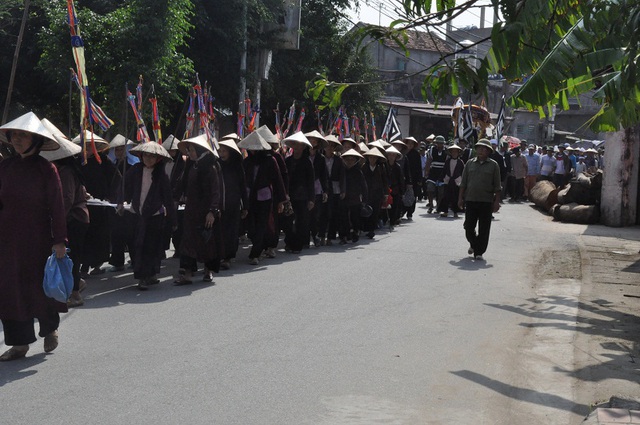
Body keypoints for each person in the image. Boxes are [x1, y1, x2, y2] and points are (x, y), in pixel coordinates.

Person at [0, 112, 67, 361]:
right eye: (14, 135)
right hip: (6, 240)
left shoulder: (46, 170)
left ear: (35, 140)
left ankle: (49, 328)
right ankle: (19, 344)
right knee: (9, 291)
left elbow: (57, 206)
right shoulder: (5, 167)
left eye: (23, 135)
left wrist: (59, 240)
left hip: (37, 239)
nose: (16, 139)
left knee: (39, 287)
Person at [40, 119, 89, 308]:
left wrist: (56, 218)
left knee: (72, 257)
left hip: (74, 219)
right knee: (72, 257)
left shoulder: (67, 172)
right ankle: (76, 285)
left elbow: (66, 199)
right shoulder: (66, 170)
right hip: (76, 218)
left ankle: (75, 294)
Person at [118, 142, 176, 290]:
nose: (149, 159)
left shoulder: (161, 175)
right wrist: (120, 202)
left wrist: (172, 219)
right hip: (136, 214)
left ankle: (148, 275)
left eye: (152, 157)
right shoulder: (135, 170)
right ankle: (141, 274)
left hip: (154, 216)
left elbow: (168, 198)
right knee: (136, 245)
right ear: (141, 156)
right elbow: (124, 186)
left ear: (157, 159)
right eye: (146, 156)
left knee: (151, 247)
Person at [173, 134, 222, 283]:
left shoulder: (211, 168)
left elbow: (216, 192)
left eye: (192, 150)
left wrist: (212, 212)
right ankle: (187, 274)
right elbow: (181, 186)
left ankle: (208, 271)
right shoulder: (190, 166)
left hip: (206, 212)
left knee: (207, 242)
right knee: (187, 242)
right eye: (189, 150)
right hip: (191, 211)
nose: (190, 153)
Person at [239, 131, 287, 265]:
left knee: (261, 225)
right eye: (251, 148)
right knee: (251, 226)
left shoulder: (270, 160)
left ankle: (255, 253)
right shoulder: (246, 162)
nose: (253, 151)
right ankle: (258, 247)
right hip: (249, 198)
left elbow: (278, 180)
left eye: (256, 148)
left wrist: (281, 201)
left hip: (265, 198)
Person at [458, 138, 501, 261]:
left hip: (486, 201)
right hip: (470, 199)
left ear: (488, 151)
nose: (481, 150)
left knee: (484, 228)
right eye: (479, 148)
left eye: (484, 149)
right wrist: (460, 198)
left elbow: (497, 186)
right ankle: (474, 243)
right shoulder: (469, 163)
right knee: (468, 227)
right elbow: (463, 183)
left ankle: (479, 252)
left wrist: (497, 201)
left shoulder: (494, 165)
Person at [282, 132, 315, 254]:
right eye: (294, 145)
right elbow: (284, 178)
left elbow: (311, 181)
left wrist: (311, 199)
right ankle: (289, 242)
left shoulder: (307, 162)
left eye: (299, 145)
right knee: (287, 221)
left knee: (301, 222)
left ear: (303, 147)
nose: (296, 147)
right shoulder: (288, 161)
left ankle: (297, 245)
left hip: (302, 196)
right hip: (289, 196)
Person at [217, 139, 248, 270]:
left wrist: (245, 206)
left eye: (224, 151)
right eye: (220, 150)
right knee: (220, 230)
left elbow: (243, 186)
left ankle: (229, 257)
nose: (221, 153)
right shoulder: (216, 165)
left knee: (231, 230)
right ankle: (219, 255)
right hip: (219, 203)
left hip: (233, 203)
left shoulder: (237, 166)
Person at [362, 147, 388, 238]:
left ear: (377, 159)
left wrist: (385, 193)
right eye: (370, 157)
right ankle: (367, 228)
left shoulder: (381, 168)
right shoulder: (364, 167)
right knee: (368, 211)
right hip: (367, 193)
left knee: (375, 212)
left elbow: (385, 181)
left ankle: (372, 230)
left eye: (374, 157)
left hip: (378, 193)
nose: (372, 159)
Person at [438, 144, 465, 218]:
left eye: (456, 152)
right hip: (448, 180)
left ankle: (455, 212)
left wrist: (464, 181)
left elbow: (463, 172)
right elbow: (444, 171)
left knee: (455, 197)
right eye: (453, 152)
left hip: (457, 182)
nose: (454, 153)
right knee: (446, 197)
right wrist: (440, 179)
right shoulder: (447, 161)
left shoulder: (460, 162)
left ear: (458, 153)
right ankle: (445, 212)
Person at [424, 135, 447, 213]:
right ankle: (430, 205)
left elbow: (447, 162)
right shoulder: (432, 149)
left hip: (442, 172)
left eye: (441, 143)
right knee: (430, 188)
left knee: (441, 191)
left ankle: (438, 206)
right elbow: (429, 160)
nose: (439, 145)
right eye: (438, 143)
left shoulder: (446, 151)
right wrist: (426, 171)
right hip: (433, 171)